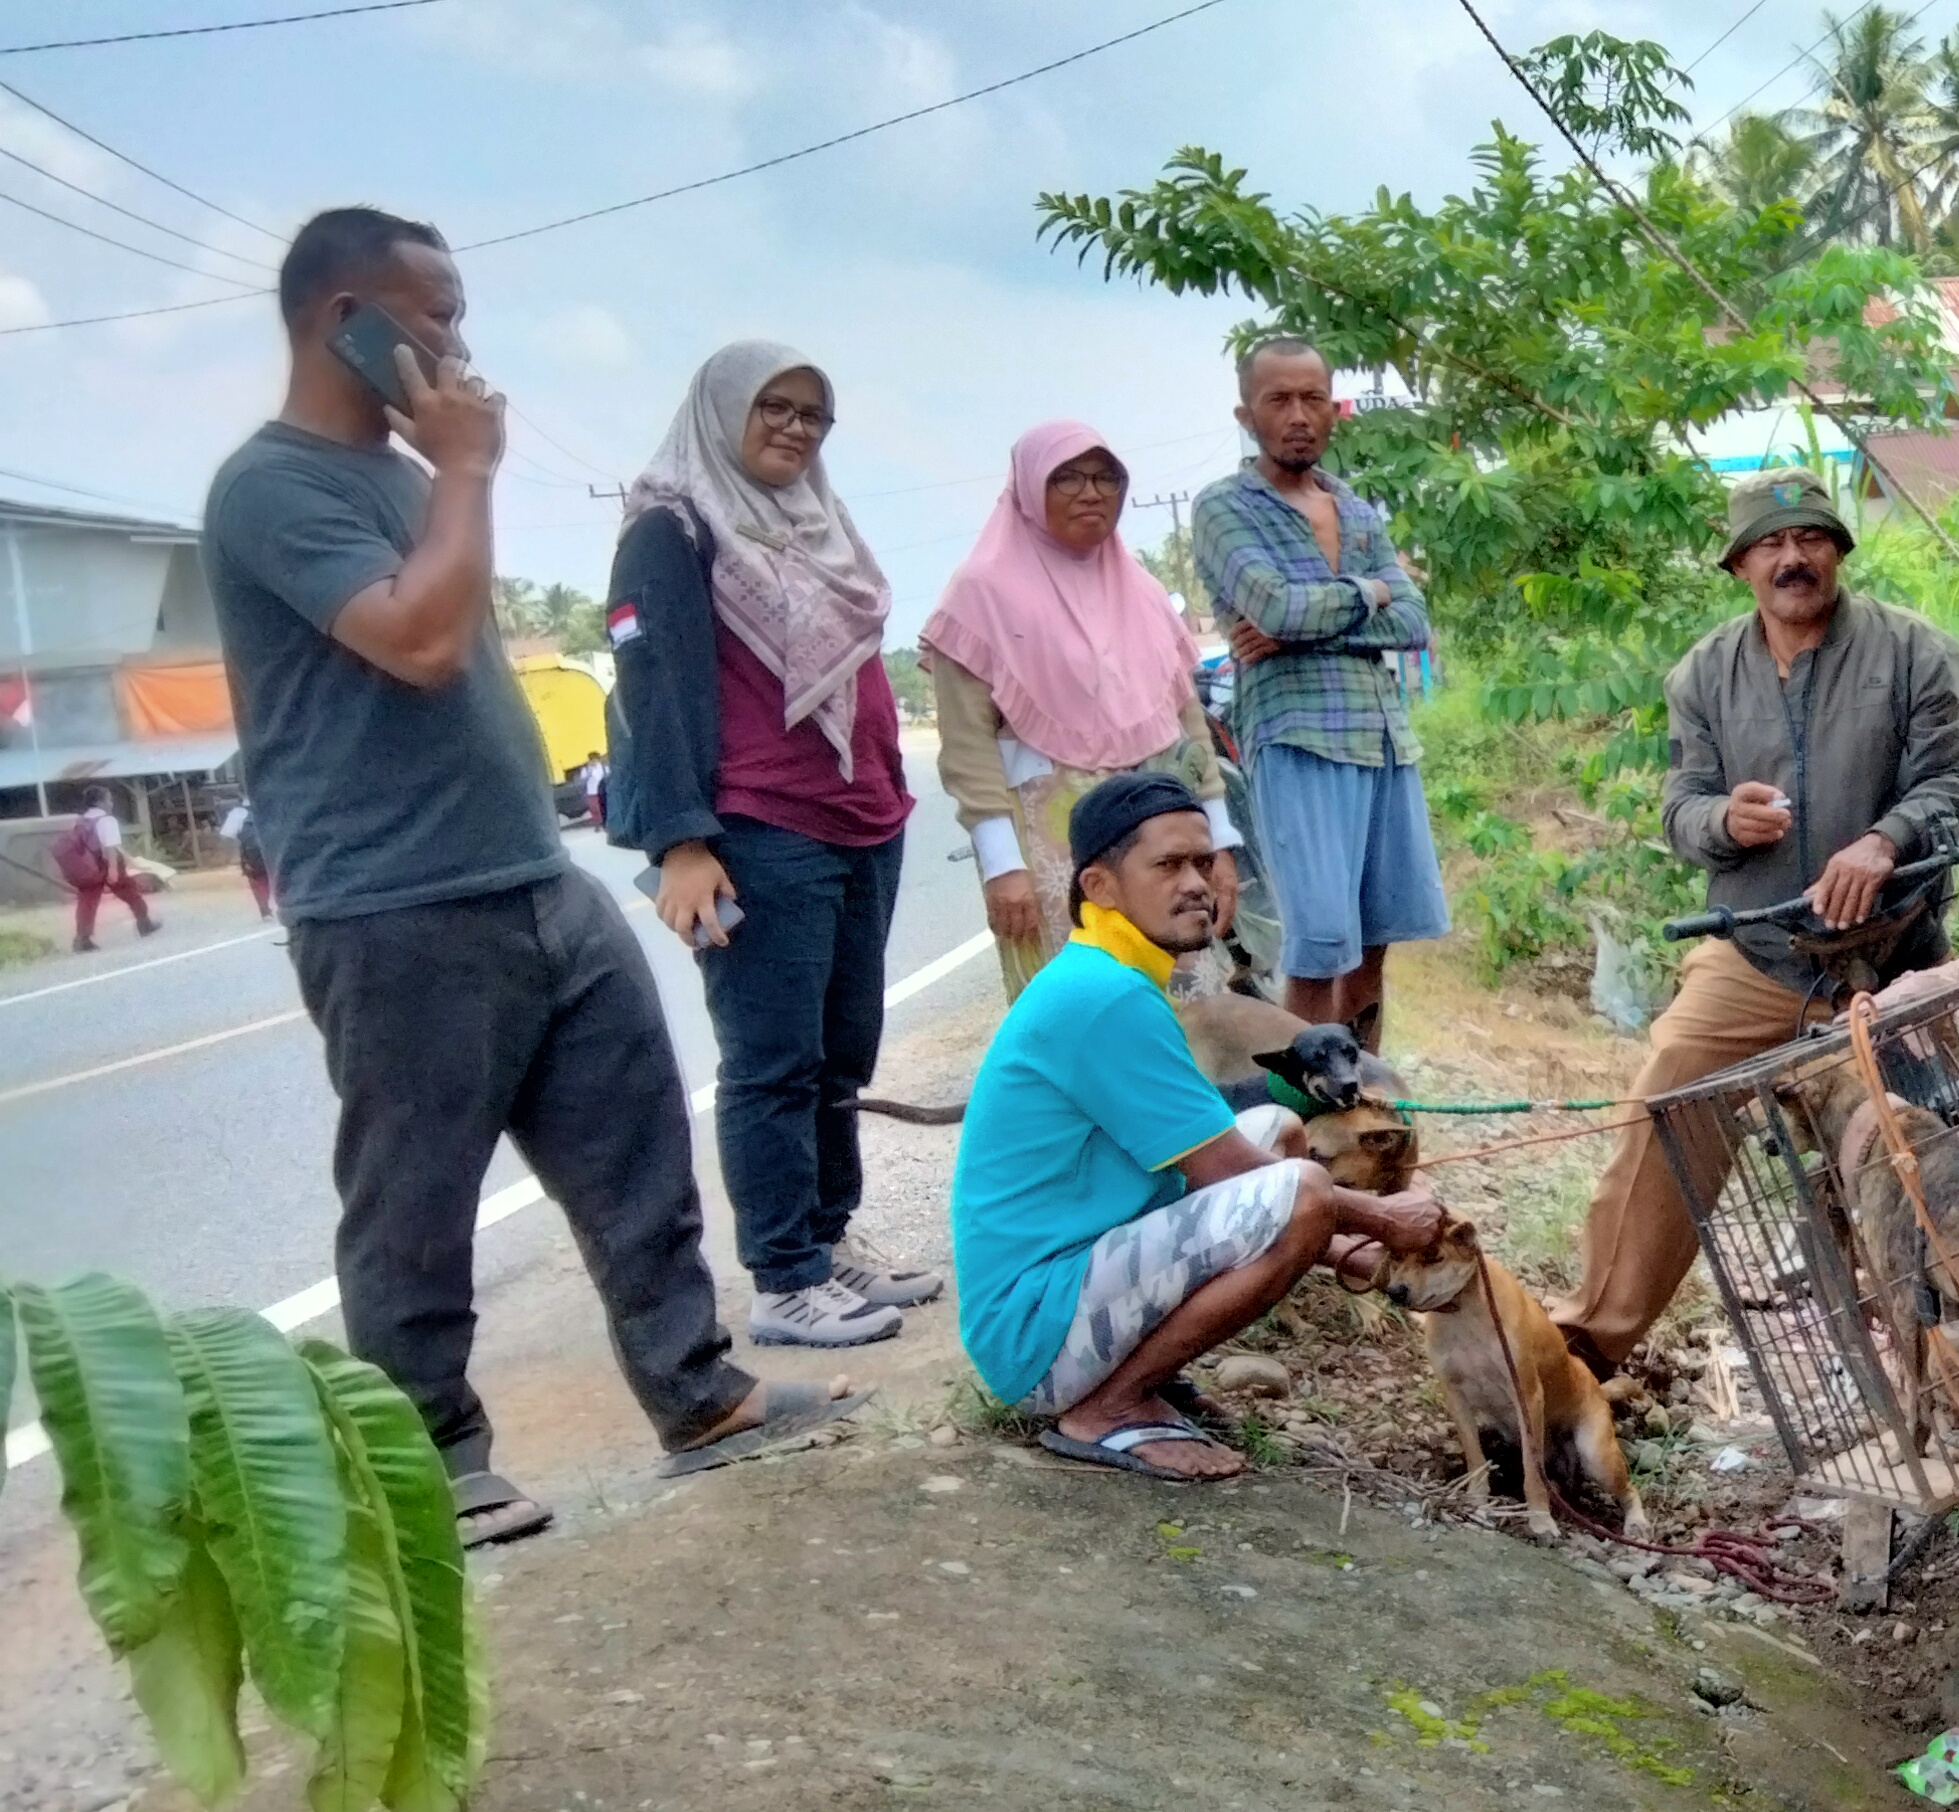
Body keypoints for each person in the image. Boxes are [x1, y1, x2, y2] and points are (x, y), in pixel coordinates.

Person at [204, 206, 864, 1546]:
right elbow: (418, 642)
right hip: (392, 902)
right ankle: (432, 1467)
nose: (460, 347)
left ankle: (698, 1393)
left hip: (529, 870)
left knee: (636, 1144)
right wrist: (465, 468)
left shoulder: (406, 482)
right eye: (437, 316)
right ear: (346, 320)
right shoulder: (272, 486)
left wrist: (446, 476)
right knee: (415, 1197)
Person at [1547, 471, 1959, 1377]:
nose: (1793, 558)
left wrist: (1885, 842)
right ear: (1740, 565)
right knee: (1667, 1107)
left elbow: (1955, 787)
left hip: (1894, 957)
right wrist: (1721, 820)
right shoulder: (1703, 674)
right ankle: (1581, 1352)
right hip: (1758, 956)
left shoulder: (1914, 651)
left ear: (1838, 550)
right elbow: (1680, 808)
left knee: (1949, 1154)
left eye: (1811, 538)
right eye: (1771, 545)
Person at [950, 773, 1449, 1479]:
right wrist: (1382, 1221)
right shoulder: (1105, 997)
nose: (1197, 884)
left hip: (1058, 1293)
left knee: (1279, 1130)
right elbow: (1238, 1178)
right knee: (1301, 1191)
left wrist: (1346, 1250)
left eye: (1203, 862)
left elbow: (1227, 1160)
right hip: (1032, 1333)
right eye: (1167, 865)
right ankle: (1108, 1408)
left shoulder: (1112, 976)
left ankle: (1139, 1375)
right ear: (1100, 886)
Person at [608, 339, 944, 1350]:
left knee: (841, 1053)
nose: (796, 428)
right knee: (772, 1060)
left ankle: (826, 1241)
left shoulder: (816, 523)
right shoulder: (671, 529)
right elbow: (653, 688)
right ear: (721, 412)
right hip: (760, 827)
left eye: (812, 413)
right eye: (774, 407)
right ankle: (784, 1277)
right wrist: (682, 841)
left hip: (859, 817)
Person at [923, 420, 1246, 999]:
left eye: (1105, 478)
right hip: (1050, 838)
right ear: (1028, 488)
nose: (1091, 492)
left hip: (1158, 832)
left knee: (1181, 991)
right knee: (1075, 1001)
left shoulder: (1143, 592)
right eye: (1066, 478)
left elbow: (1188, 727)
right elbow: (968, 746)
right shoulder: (980, 594)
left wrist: (1218, 841)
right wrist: (1002, 866)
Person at [1189, 336, 1442, 1043]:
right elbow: (1276, 609)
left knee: (1376, 941)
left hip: (1384, 739)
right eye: (1279, 400)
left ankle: (1365, 1097)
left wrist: (1312, 623)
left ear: (1333, 411)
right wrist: (1372, 591)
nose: (1298, 415)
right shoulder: (1224, 508)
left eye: (1313, 399)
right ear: (1247, 415)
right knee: (1319, 946)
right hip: (1298, 738)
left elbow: (1415, 622)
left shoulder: (1355, 509)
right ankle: (1303, 1099)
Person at [58, 785, 158, 950]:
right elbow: (110, 847)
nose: (111, 803)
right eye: (109, 799)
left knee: (87, 901)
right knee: (130, 893)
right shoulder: (107, 820)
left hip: (89, 866)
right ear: (100, 802)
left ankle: (82, 939)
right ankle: (144, 923)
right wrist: (113, 869)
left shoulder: (82, 821)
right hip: (107, 862)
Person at [222, 792, 272, 918]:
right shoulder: (270, 807)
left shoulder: (237, 812)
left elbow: (227, 836)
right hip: (271, 851)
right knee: (271, 877)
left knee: (256, 878)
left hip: (251, 855)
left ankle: (264, 908)